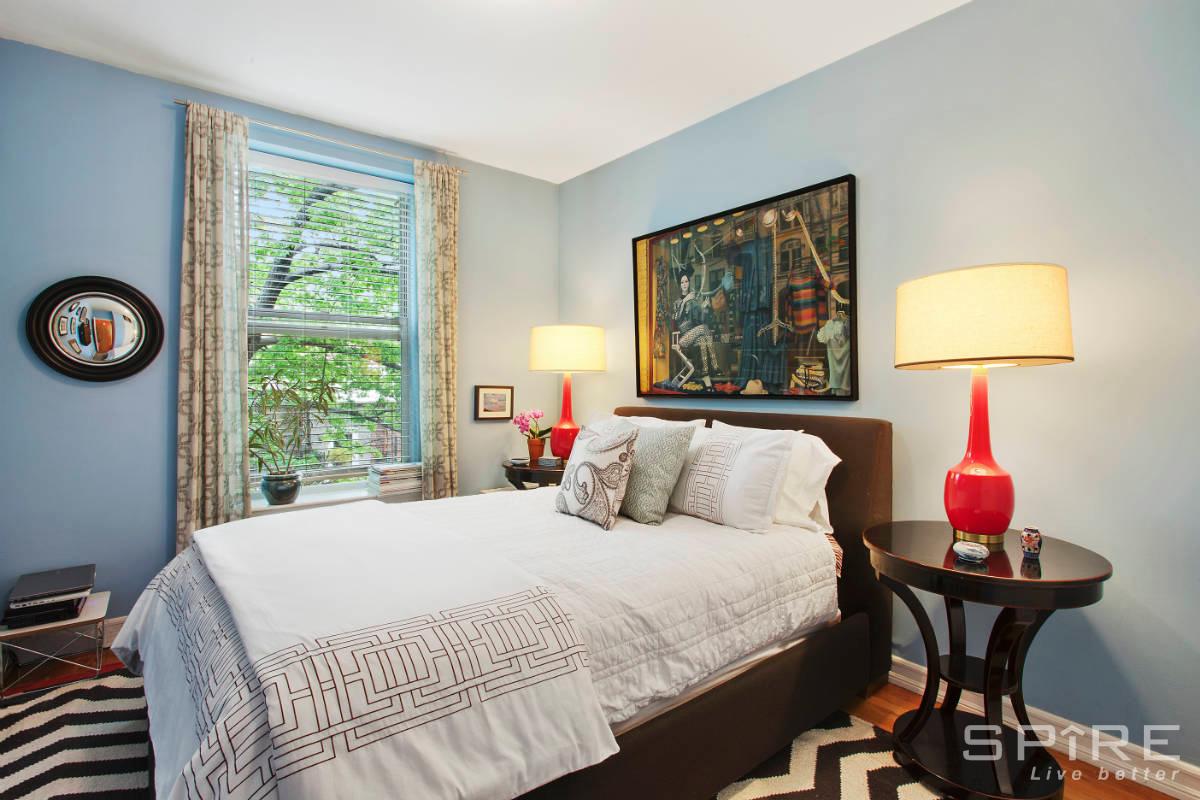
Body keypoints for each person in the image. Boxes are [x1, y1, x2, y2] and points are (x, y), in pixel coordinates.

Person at [671, 267, 720, 389]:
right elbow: (676, 318)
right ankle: (715, 366)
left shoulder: (693, 300)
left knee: (703, 341)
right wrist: (684, 302)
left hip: (694, 335)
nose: (684, 284)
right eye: (682, 282)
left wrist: (703, 307)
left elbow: (698, 320)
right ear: (679, 284)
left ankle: (707, 378)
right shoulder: (677, 302)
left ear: (689, 282)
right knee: (704, 328)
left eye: (686, 281)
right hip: (682, 339)